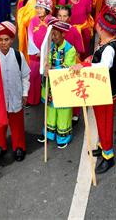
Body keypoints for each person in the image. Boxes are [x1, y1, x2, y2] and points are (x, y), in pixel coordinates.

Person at [71, 9, 116, 174]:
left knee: (105, 124)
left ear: (100, 28)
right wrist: (90, 59)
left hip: (106, 92)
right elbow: (99, 59)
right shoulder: (106, 41)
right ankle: (102, 147)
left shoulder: (109, 47)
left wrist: (86, 65)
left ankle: (109, 157)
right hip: (101, 89)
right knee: (101, 122)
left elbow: (104, 66)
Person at [39, 19, 77, 149]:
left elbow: (68, 66)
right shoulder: (50, 47)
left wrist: (52, 69)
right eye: (51, 34)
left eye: (55, 34)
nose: (53, 37)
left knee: (63, 112)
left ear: (63, 34)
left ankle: (63, 137)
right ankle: (48, 134)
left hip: (63, 85)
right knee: (50, 110)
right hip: (51, 85)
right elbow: (46, 61)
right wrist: (46, 69)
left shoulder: (70, 49)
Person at [0, 22, 30, 162]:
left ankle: (19, 146)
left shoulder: (18, 56)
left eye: (6, 39)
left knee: (17, 123)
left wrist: (25, 93)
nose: (3, 43)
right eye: (0, 39)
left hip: (16, 95)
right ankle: (0, 146)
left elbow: (25, 76)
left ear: (11, 40)